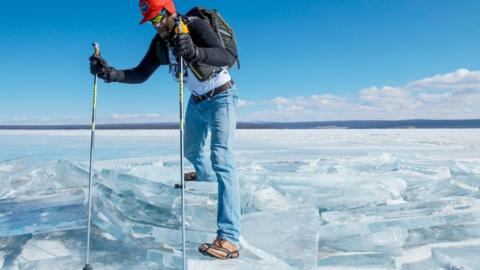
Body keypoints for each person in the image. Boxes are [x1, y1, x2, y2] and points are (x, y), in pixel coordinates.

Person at [89, 0, 240, 260]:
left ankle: (229, 238)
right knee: (191, 149)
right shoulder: (161, 44)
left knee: (222, 159)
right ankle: (205, 180)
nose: (156, 26)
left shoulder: (197, 27)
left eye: (158, 18)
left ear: (169, 11)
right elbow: (140, 73)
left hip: (221, 97)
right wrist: (110, 74)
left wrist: (194, 52)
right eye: (151, 22)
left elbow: (227, 57)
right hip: (196, 101)